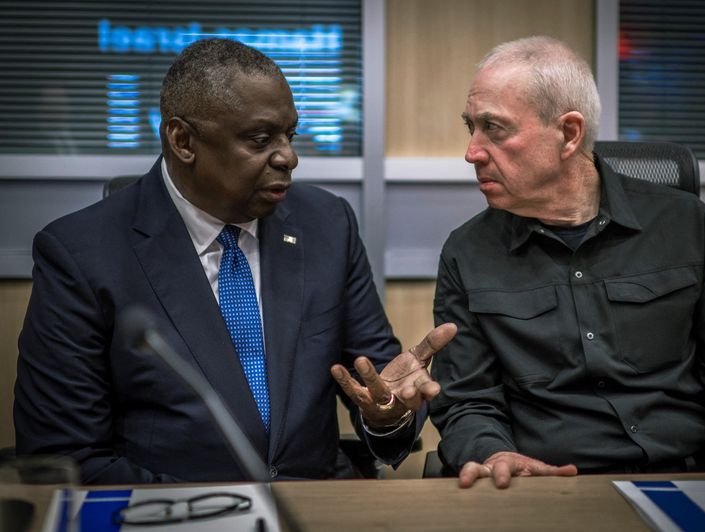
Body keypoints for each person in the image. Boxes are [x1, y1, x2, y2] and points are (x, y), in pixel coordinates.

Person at [14, 38, 455, 484]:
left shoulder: (326, 225)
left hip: (319, 509)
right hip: (170, 516)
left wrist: (387, 415)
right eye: (260, 139)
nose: (288, 157)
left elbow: (377, 384)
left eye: (290, 135)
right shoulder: (81, 253)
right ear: (183, 140)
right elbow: (64, 457)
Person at [429, 35, 705, 489]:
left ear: (568, 133)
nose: (473, 152)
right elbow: (468, 400)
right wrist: (494, 452)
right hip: (551, 488)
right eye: (472, 128)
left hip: (689, 477)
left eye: (495, 129)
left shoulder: (685, 225)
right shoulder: (467, 253)